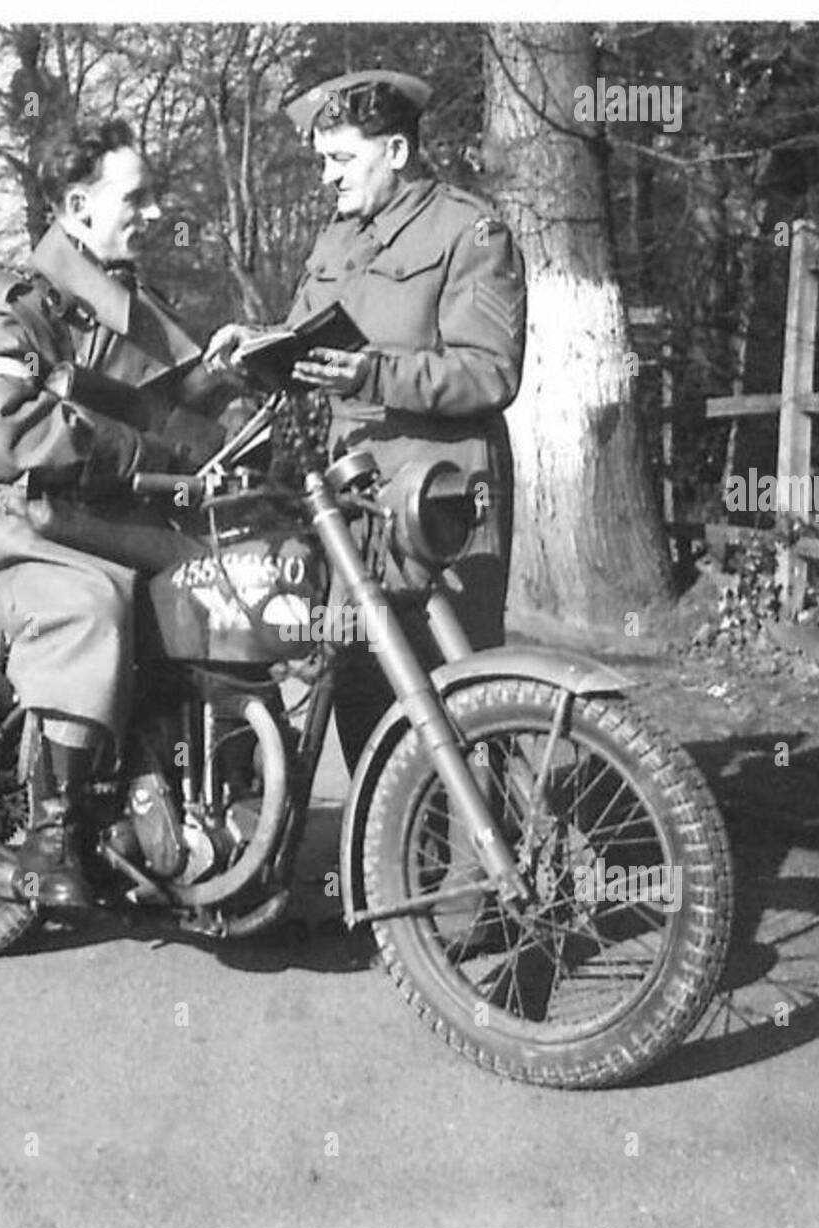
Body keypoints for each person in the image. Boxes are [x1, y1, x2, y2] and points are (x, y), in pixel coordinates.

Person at [206, 70, 527, 770]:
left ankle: (486, 870)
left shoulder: (470, 231)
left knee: (457, 690)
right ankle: (391, 866)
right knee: (361, 697)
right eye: (324, 160)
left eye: (343, 159)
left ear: (398, 151)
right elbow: (307, 339)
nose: (327, 177)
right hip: (350, 505)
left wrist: (375, 373)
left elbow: (492, 371)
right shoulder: (336, 240)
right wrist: (254, 345)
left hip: (441, 505)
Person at [0, 119, 230, 911]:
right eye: (134, 197)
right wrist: (131, 453)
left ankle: (199, 808)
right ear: (79, 205)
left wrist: (257, 403)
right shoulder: (14, 305)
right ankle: (53, 834)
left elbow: (191, 416)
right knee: (95, 609)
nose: (150, 212)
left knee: (223, 592)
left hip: (112, 525)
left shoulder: (137, 310)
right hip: (27, 526)